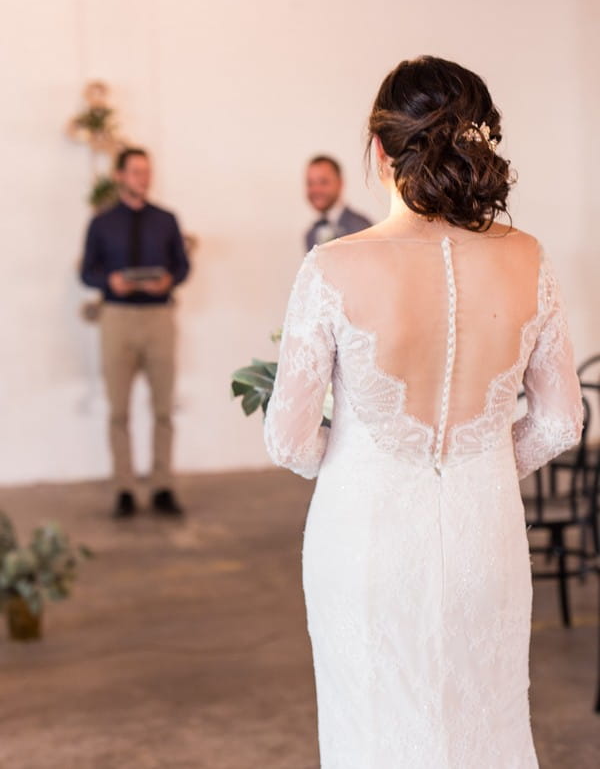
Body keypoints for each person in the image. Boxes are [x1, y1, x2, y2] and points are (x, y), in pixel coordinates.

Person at [264, 56, 582, 767]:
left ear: (377, 151)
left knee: (371, 726)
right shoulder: (528, 258)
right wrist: (480, 460)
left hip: (364, 536)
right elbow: (562, 422)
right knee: (485, 721)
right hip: (484, 532)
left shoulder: (332, 266)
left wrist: (361, 457)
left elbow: (287, 439)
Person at [81, 147, 190, 519]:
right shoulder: (101, 222)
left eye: (147, 172)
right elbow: (86, 272)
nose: (143, 178)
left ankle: (162, 485)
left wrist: (169, 280)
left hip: (159, 317)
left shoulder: (167, 219)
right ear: (120, 176)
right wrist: (108, 281)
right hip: (117, 317)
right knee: (119, 410)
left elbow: (182, 266)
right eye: (136, 172)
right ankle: (124, 488)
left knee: (163, 408)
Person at [304, 154, 372, 251]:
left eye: (323, 182)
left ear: (340, 183)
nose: (316, 189)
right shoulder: (310, 234)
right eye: (310, 183)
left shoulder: (361, 228)